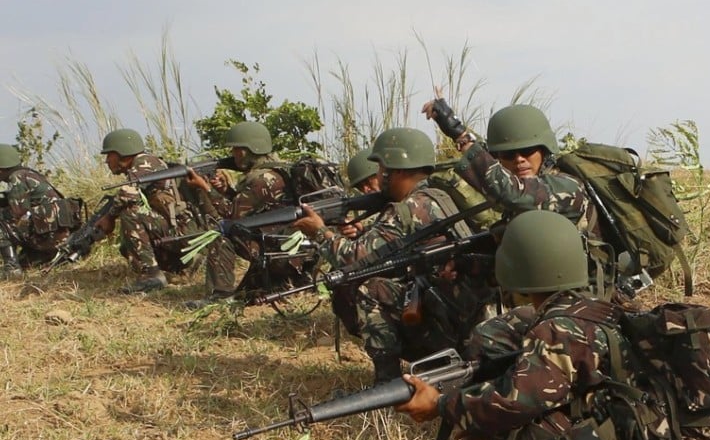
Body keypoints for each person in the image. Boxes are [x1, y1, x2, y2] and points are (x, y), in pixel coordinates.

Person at [396, 210, 683, 440]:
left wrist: (443, 405)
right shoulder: (605, 308)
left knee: (517, 422)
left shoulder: (557, 329)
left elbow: (514, 401)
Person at [294, 127, 494, 382]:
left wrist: (319, 231)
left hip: (446, 322)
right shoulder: (439, 196)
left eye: (380, 168)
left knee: (369, 289)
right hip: (469, 314)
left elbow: (354, 259)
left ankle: (386, 383)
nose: (377, 175)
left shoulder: (406, 208)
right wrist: (365, 230)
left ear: (395, 169)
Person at [422, 99, 615, 300]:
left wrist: (460, 135)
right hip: (542, 300)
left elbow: (511, 192)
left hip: (580, 302)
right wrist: (465, 265)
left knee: (494, 331)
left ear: (544, 150)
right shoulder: (523, 202)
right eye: (508, 153)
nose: (519, 159)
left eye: (528, 150)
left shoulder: (564, 187)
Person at [184, 121, 291, 307]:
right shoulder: (274, 172)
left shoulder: (263, 179)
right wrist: (226, 190)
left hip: (273, 246)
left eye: (237, 150)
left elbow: (232, 216)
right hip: (282, 243)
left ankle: (219, 295)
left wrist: (205, 188)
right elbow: (249, 207)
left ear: (249, 150)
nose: (233, 155)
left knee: (221, 234)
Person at [98, 128, 202, 293]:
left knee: (130, 213)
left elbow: (127, 193)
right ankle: (182, 266)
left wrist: (108, 218)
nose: (107, 160)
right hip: (182, 230)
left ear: (122, 152)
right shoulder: (149, 163)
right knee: (127, 246)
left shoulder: (144, 163)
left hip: (182, 231)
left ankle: (151, 276)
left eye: (109, 154)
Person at [0, 144, 81, 277]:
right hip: (58, 235)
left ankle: (11, 268)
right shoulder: (28, 174)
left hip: (47, 236)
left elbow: (18, 214)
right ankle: (35, 257)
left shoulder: (16, 178)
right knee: (26, 263)